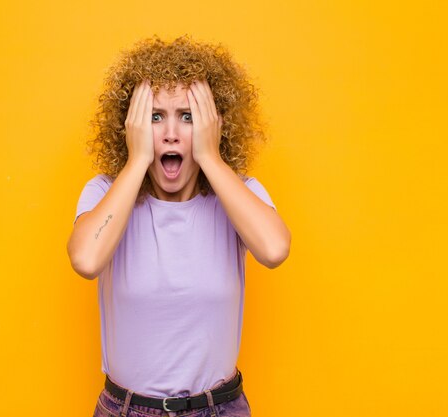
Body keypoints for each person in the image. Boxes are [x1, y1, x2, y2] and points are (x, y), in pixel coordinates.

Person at [67, 34, 291, 417]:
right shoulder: (105, 192)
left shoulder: (239, 194)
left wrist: (210, 156)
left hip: (218, 408)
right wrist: (138, 160)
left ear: (213, 124)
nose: (171, 133)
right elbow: (86, 260)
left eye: (187, 116)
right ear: (132, 126)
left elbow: (274, 250)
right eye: (155, 117)